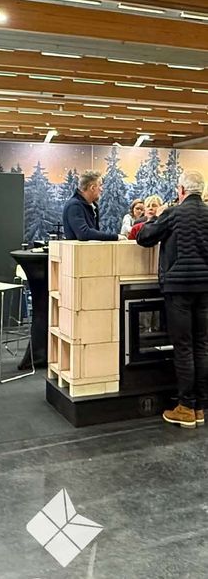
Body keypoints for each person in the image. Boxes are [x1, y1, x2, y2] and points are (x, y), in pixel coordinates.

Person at [136, 171, 208, 429]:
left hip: (178, 288)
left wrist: (153, 218)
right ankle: (200, 406)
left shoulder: (174, 213)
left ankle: (186, 407)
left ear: (181, 190)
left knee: (184, 346)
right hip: (205, 288)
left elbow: (144, 238)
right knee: (202, 345)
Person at [62, 170, 123, 241]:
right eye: (100, 185)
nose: (102, 189)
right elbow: (83, 234)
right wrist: (116, 237)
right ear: (92, 188)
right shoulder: (74, 206)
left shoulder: (92, 206)